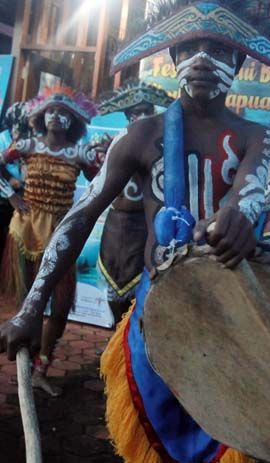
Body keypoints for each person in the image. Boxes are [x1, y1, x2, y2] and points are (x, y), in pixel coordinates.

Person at [0, 1, 270, 461]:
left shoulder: (257, 136)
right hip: (158, 307)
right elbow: (81, 215)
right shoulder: (140, 135)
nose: (202, 60)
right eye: (189, 48)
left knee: (232, 438)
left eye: (218, 49)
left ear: (238, 61)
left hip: (234, 312)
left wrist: (237, 217)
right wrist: (30, 307)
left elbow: (248, 193)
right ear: (174, 59)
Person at [0, 85, 100, 396]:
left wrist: (98, 166)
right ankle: (26, 365)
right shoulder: (26, 145)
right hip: (26, 229)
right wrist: (11, 196)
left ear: (74, 122)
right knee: (31, 302)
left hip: (61, 234)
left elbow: (101, 183)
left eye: (65, 114)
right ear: (41, 116)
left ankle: (42, 368)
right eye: (52, 112)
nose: (57, 118)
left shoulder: (79, 153)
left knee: (61, 305)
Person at [96, 81, 173, 321]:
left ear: (154, 114)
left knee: (140, 292)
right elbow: (97, 186)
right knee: (113, 291)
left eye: (146, 111)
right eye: (134, 113)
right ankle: (115, 345)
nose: (140, 116)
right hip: (116, 224)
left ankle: (129, 346)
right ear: (127, 117)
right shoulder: (115, 145)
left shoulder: (165, 149)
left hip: (144, 226)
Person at [0, 101, 30, 285]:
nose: (19, 131)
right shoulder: (3, 138)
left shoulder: (34, 140)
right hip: (7, 194)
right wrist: (12, 184)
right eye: (17, 126)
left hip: (30, 196)